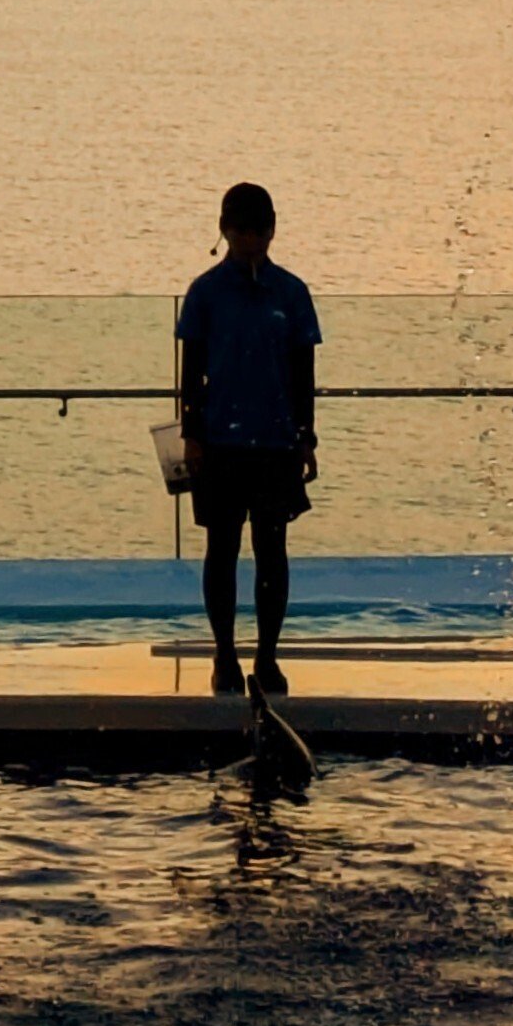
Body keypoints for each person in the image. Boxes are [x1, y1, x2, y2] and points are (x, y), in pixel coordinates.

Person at [176, 180, 320, 697]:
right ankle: (223, 654)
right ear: (224, 231)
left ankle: (266, 656)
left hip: (276, 441)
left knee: (272, 549)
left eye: (257, 231)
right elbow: (190, 372)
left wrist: (307, 438)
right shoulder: (205, 292)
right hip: (219, 442)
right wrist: (191, 434)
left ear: (271, 230)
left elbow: (303, 371)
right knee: (221, 548)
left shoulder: (292, 292)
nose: (249, 240)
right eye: (239, 231)